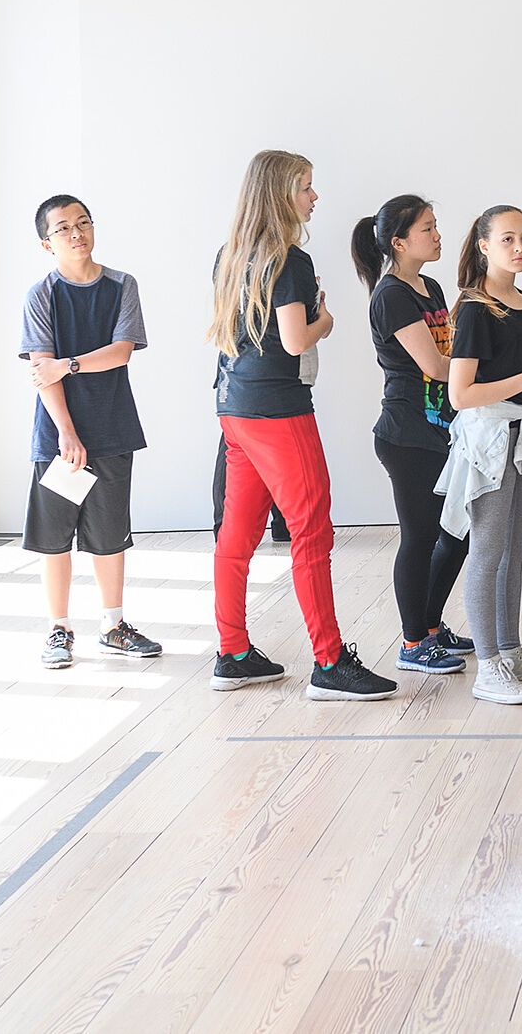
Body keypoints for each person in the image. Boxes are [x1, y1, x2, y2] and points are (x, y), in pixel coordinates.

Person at [208, 150, 397, 698]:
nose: (315, 198)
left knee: (236, 536)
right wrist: (326, 320)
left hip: (235, 409)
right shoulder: (289, 260)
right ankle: (330, 663)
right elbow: (295, 340)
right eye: (306, 188)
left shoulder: (230, 254)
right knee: (312, 529)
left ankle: (233, 652)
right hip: (279, 411)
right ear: (279, 196)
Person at [19, 195, 163, 669]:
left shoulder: (123, 285)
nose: (76, 233)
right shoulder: (41, 295)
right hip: (59, 436)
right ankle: (58, 629)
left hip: (113, 427)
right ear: (47, 243)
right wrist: (66, 432)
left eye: (83, 223)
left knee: (110, 535)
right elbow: (43, 371)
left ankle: (113, 625)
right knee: (54, 537)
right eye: (63, 228)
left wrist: (69, 364)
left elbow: (122, 351)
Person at [439, 205, 522, 705]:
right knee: (487, 552)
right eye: (508, 239)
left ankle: (509, 651)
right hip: (491, 441)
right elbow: (461, 394)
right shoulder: (473, 308)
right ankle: (488, 665)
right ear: (484, 246)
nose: (520, 248)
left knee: (515, 548)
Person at [351, 194, 475, 675]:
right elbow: (437, 365)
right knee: (421, 537)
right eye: (428, 228)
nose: (438, 234)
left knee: (455, 535)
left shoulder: (430, 287)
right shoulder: (392, 296)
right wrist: (487, 372)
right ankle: (412, 643)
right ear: (399, 242)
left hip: (441, 431)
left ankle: (429, 624)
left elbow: (453, 351)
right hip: (408, 436)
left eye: (435, 225)